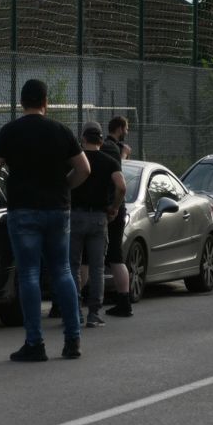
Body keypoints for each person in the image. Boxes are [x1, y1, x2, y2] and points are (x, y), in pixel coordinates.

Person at [0, 79, 90, 361]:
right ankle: (73, 340)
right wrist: (65, 187)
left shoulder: (10, 131)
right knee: (62, 271)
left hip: (23, 210)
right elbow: (84, 169)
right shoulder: (61, 131)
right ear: (46, 102)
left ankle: (35, 343)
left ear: (22, 103)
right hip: (58, 210)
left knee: (29, 273)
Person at [70, 123, 124, 330]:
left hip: (75, 216)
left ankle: (75, 311)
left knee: (73, 266)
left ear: (83, 139)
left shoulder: (74, 161)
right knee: (97, 268)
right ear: (101, 141)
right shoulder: (110, 161)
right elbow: (121, 186)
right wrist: (114, 207)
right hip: (99, 218)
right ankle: (94, 314)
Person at [102, 115, 135, 316]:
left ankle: (123, 301)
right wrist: (122, 155)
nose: (127, 132)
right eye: (127, 128)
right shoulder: (112, 148)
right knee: (115, 254)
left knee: (106, 255)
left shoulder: (109, 147)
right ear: (120, 128)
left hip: (111, 205)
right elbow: (117, 174)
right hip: (113, 205)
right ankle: (124, 300)